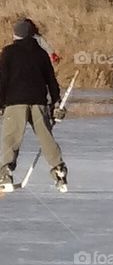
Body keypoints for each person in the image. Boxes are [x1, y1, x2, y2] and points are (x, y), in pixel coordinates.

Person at [0, 19, 68, 192]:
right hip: (39, 102)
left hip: (15, 103)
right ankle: (59, 171)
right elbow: (51, 81)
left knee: (11, 138)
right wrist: (56, 102)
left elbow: (2, 80)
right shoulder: (41, 54)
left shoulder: (9, 52)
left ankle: (5, 173)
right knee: (46, 138)